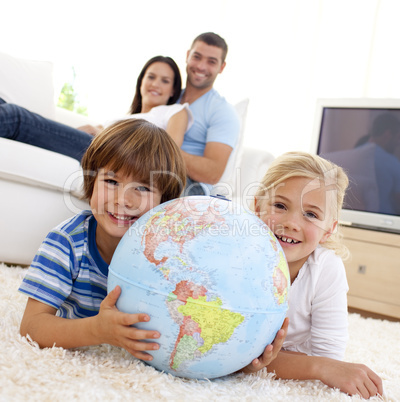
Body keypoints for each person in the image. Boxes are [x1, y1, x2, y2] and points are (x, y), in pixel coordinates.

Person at [18, 119, 187, 359]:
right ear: (91, 183)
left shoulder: (171, 251)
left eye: (143, 188)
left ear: (164, 202)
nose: (124, 200)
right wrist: (97, 330)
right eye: (111, 181)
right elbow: (31, 327)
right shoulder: (66, 242)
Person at [251, 151, 383, 398]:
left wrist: (315, 364)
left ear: (328, 230)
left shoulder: (326, 269)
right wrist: (315, 366)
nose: (291, 223)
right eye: (280, 205)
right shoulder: (237, 256)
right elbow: (239, 356)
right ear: (258, 207)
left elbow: (330, 359)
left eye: (311, 214)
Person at [0, 56, 192, 161]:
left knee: (17, 118)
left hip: (111, 154)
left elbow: (168, 152)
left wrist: (102, 133)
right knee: (6, 106)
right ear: (141, 81)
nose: (156, 84)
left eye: (165, 81)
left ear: (173, 89)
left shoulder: (175, 111)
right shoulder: (127, 117)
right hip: (93, 143)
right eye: (151, 77)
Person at [178, 32, 241, 195]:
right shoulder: (169, 96)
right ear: (187, 56)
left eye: (211, 62)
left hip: (190, 186)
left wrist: (160, 150)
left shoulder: (223, 112)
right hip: (153, 173)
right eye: (197, 57)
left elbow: (212, 173)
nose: (201, 66)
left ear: (221, 67)